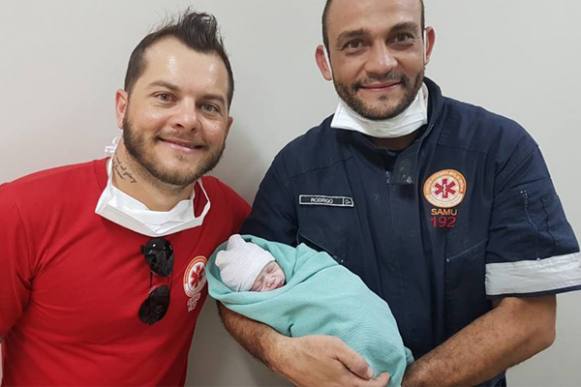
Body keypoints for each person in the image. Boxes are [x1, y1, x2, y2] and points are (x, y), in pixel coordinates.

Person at [218, 0, 581, 386]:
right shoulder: (295, 169)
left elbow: (533, 320)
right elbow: (236, 293)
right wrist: (281, 353)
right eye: (355, 44)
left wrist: (405, 384)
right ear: (325, 61)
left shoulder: (500, 149)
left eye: (401, 38)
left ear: (427, 43)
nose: (381, 63)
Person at [0, 11, 249, 385]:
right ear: (122, 107)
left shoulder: (227, 215)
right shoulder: (22, 211)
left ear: (226, 127)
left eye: (209, 106)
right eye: (165, 97)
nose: (188, 120)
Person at [209, 234, 412, 387]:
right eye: (258, 284)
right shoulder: (269, 304)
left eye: (270, 270)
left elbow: (338, 281)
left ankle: (389, 353)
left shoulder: (306, 264)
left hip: (371, 316)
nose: (270, 281)